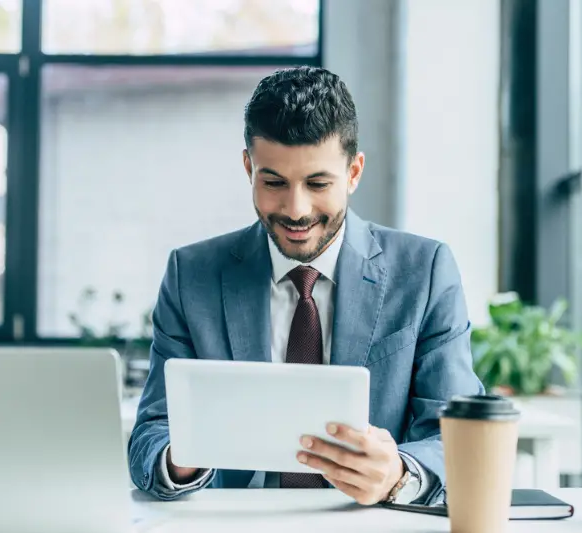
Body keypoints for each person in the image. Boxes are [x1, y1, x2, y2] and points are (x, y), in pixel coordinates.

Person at [128, 66, 484, 506]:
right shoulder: (192, 275)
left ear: (353, 172)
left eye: (318, 183)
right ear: (248, 167)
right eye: (273, 182)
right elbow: (151, 432)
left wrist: (399, 474)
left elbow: (461, 433)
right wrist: (182, 459)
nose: (296, 210)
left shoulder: (425, 270)